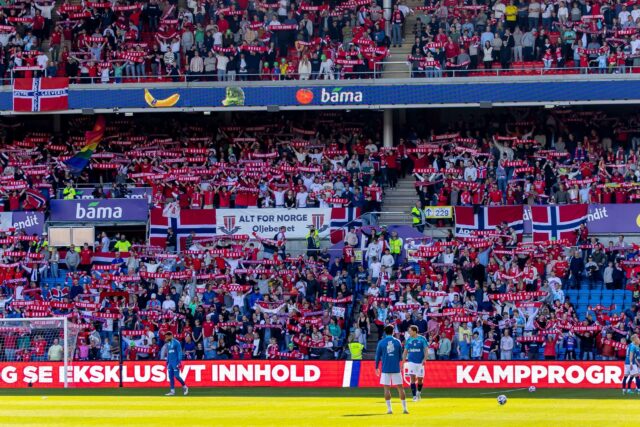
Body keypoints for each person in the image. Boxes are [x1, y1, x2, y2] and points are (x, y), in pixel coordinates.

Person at [375, 324, 408, 414]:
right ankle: (405, 409)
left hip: (385, 368)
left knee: (386, 389)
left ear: (385, 332)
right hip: (395, 368)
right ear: (393, 332)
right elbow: (400, 356)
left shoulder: (381, 342)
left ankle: (389, 409)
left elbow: (377, 356)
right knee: (400, 388)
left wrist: (376, 367)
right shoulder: (397, 342)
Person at [402, 325, 427, 402]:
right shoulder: (409, 339)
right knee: (412, 379)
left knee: (420, 379)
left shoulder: (422, 339)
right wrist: (403, 361)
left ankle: (418, 392)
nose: (409, 332)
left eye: (410, 331)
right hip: (411, 361)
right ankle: (414, 396)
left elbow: (426, 350)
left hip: (420, 362)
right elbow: (405, 351)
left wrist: (425, 359)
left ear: (414, 331)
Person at [163, 331, 189, 396]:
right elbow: (169, 353)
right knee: (170, 377)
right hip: (170, 363)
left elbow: (179, 352)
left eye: (167, 336)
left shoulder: (177, 342)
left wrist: (179, 362)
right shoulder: (168, 343)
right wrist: (167, 361)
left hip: (175, 362)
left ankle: (185, 387)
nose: (166, 338)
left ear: (170, 336)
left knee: (177, 376)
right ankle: (172, 391)